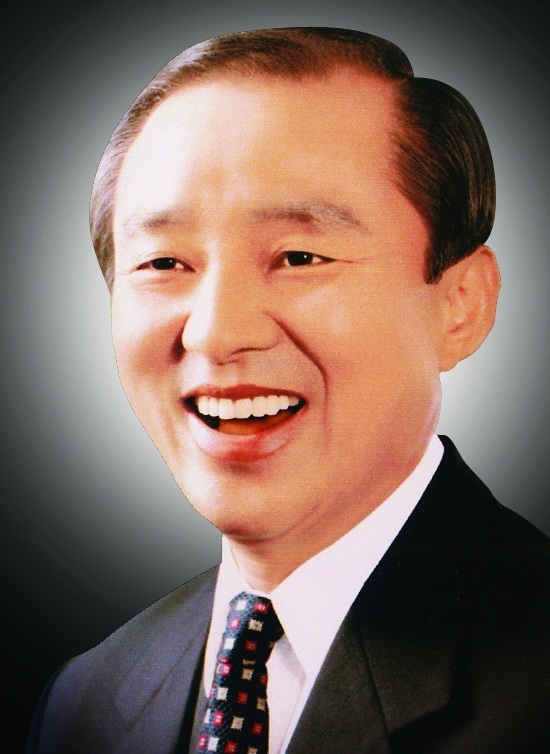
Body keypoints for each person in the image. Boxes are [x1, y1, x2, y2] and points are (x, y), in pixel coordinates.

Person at [27, 27, 549, 754]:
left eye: (300, 257)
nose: (216, 333)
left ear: (460, 304)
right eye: (165, 263)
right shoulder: (86, 700)